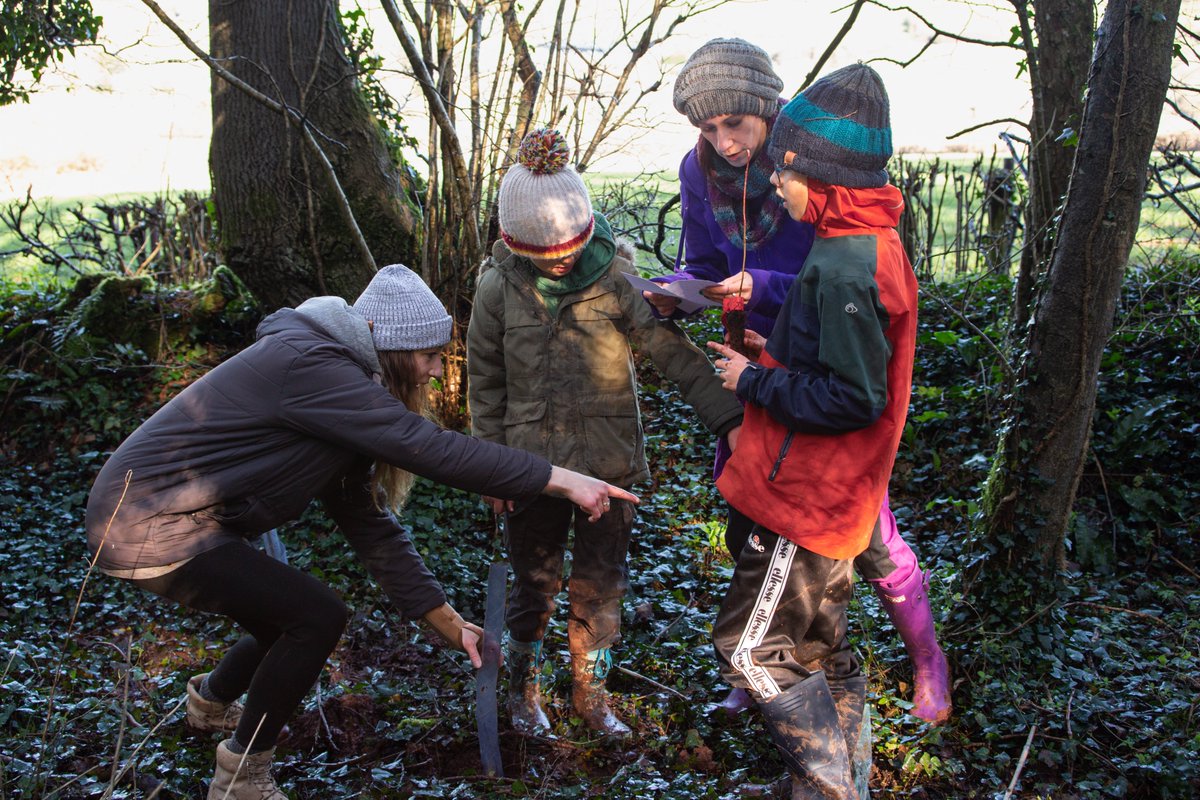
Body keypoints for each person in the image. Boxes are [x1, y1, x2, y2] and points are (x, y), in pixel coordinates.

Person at [84, 264, 637, 800]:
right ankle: (240, 781)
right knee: (314, 617)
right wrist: (558, 479)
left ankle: (209, 705)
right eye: (429, 356)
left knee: (283, 618)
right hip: (148, 524)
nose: (439, 372)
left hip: (166, 520)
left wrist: (447, 623)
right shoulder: (314, 368)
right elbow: (433, 450)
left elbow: (367, 521)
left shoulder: (334, 389)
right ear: (393, 352)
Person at [649, 37, 950, 725]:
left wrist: (764, 286)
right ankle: (765, 664)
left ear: (768, 112)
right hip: (758, 363)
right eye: (708, 128)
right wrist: (678, 290)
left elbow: (843, 284)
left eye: (737, 125)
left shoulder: (813, 163)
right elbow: (702, 258)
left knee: (865, 532)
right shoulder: (700, 175)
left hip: (818, 369)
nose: (724, 142)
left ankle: (926, 657)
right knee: (751, 517)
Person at [467, 128, 744, 738]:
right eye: (546, 251)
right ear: (519, 245)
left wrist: (731, 419)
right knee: (533, 584)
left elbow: (672, 354)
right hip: (527, 469)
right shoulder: (497, 288)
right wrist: (488, 467)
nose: (562, 259)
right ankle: (523, 692)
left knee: (600, 587)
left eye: (570, 245)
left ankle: (592, 698)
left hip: (608, 468)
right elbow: (485, 385)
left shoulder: (617, 279)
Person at [705, 63, 916, 798]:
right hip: (830, 493)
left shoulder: (850, 264)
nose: (775, 188)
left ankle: (834, 789)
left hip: (807, 495)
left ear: (819, 176)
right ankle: (838, 780)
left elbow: (854, 398)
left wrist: (753, 382)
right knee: (816, 649)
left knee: (754, 649)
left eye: (783, 176)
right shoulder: (857, 240)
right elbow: (844, 361)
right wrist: (774, 354)